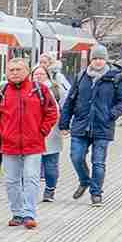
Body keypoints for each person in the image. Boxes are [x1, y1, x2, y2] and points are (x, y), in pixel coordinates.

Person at [0, 56, 57, 230]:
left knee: (31, 178)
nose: (15, 73)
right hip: (9, 144)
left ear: (27, 71)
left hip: (34, 144)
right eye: (11, 70)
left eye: (19, 70)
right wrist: (0, 132)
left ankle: (29, 213)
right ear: (6, 72)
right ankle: (17, 213)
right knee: (11, 181)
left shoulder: (40, 90)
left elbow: (51, 112)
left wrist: (42, 131)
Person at [58, 44, 122, 206]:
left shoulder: (116, 77)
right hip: (81, 125)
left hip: (103, 127)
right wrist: (64, 123)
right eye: (95, 58)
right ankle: (84, 180)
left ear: (106, 60)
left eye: (101, 59)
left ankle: (96, 193)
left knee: (98, 162)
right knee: (76, 157)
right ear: (90, 60)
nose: (98, 61)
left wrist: (111, 114)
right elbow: (70, 100)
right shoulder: (81, 76)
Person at [35, 54, 71, 202]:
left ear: (48, 75)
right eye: (36, 74)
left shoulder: (56, 90)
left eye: (41, 74)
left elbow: (66, 107)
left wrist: (65, 125)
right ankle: (30, 191)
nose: (38, 76)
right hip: (33, 132)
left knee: (50, 163)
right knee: (32, 164)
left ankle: (50, 190)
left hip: (52, 131)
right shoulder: (27, 89)